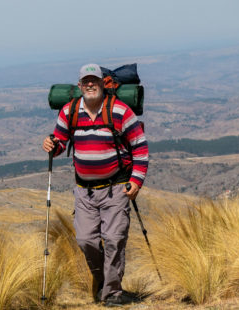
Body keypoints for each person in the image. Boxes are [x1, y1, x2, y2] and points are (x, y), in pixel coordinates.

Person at [42, 64, 148, 307]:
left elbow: (140, 147)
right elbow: (59, 144)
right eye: (86, 81)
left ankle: (112, 294)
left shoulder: (119, 111)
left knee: (113, 239)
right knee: (85, 240)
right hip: (84, 191)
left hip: (116, 188)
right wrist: (51, 145)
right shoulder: (69, 112)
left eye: (95, 81)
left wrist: (136, 181)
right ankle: (103, 282)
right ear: (79, 86)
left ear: (103, 84)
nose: (90, 85)